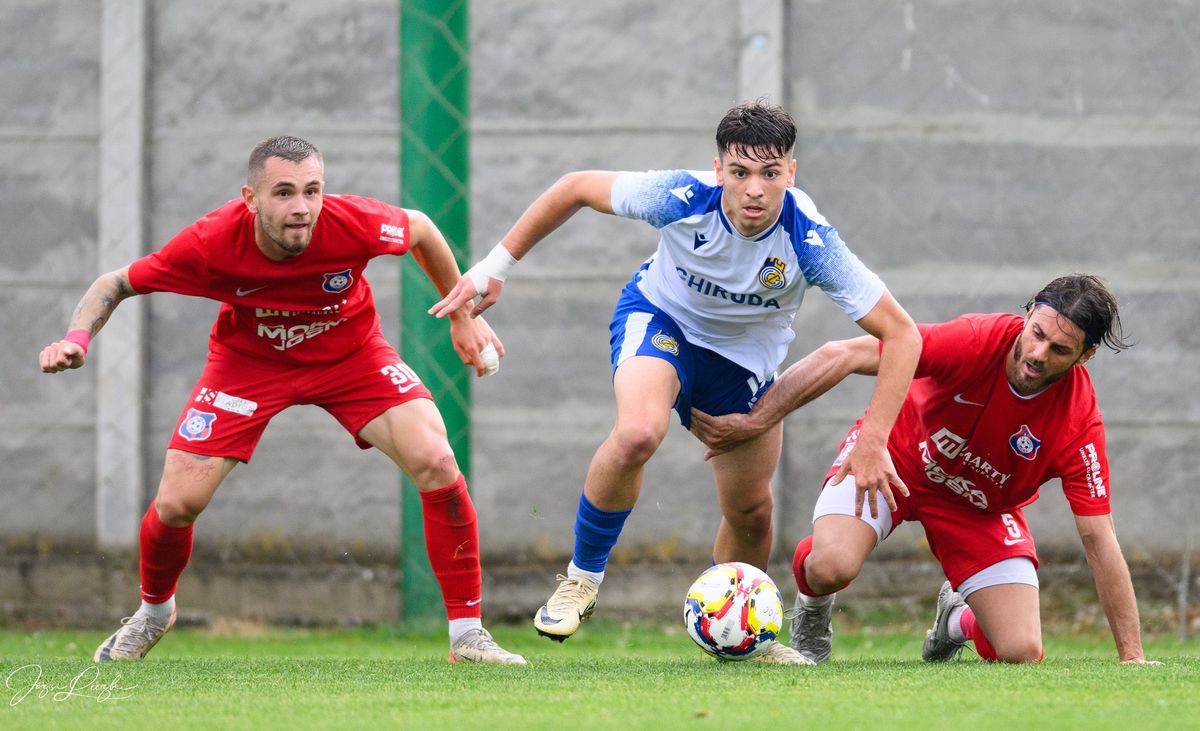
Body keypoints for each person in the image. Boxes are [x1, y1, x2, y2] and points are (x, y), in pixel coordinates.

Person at [430, 101, 922, 664]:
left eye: (769, 173)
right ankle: (583, 578)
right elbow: (574, 187)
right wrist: (495, 268)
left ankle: (742, 633)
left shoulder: (809, 241)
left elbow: (902, 336)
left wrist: (873, 440)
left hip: (743, 364)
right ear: (718, 171)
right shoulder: (681, 197)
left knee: (751, 511)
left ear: (790, 172)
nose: (753, 190)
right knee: (639, 432)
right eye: (739, 173)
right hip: (661, 320)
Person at [39, 136, 525, 665]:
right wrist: (76, 338)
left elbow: (423, 230)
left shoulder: (353, 222)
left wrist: (462, 315)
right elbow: (115, 283)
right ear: (250, 198)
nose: (302, 208)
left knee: (436, 459)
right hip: (249, 364)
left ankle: (468, 636)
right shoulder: (210, 243)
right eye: (284, 193)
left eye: (312, 191)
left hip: (351, 355)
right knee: (179, 503)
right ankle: (154, 612)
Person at [692, 273, 1158, 665]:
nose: (1039, 354)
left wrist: (1132, 657)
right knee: (831, 564)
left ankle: (953, 619)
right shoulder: (976, 340)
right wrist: (757, 420)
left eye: (1060, 349)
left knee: (1020, 649)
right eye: (1036, 333)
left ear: (1085, 356)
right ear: (1028, 314)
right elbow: (845, 353)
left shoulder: (1079, 421)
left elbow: (1099, 539)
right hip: (893, 461)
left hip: (980, 508)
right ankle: (813, 610)